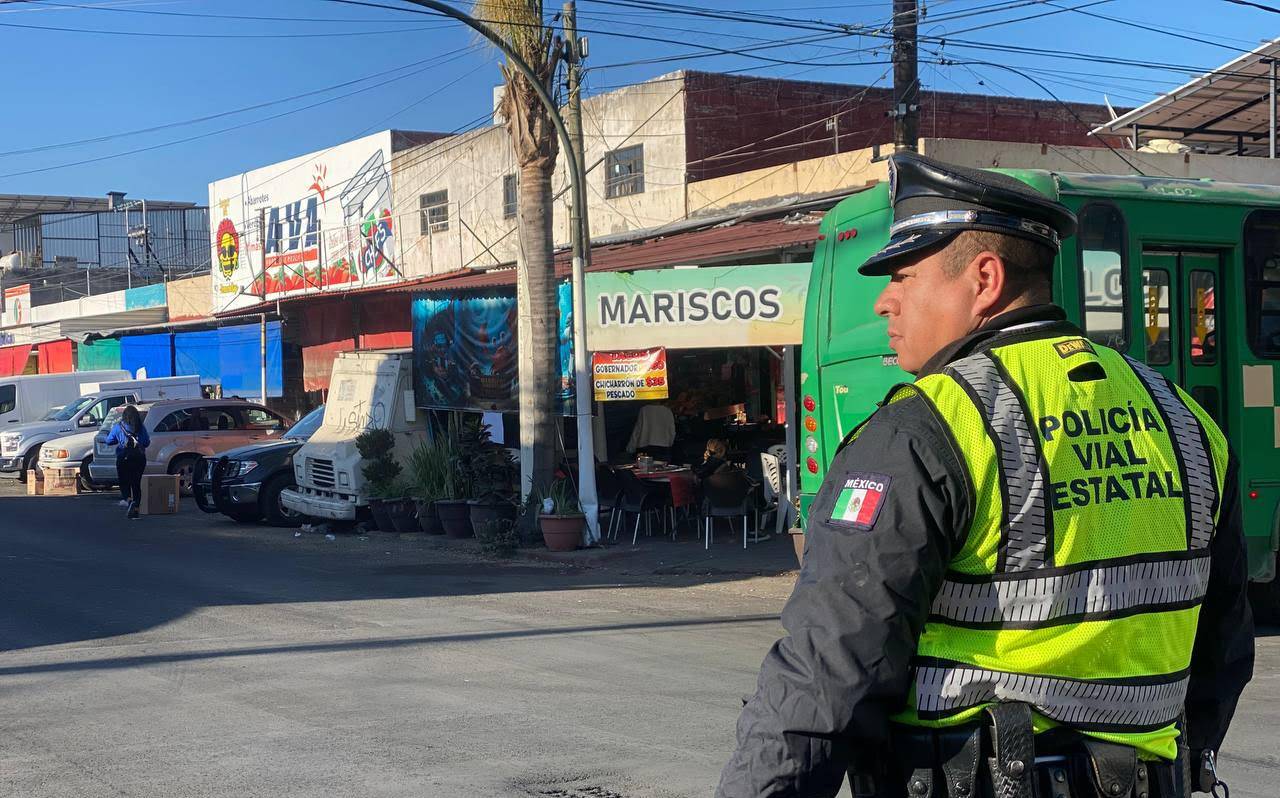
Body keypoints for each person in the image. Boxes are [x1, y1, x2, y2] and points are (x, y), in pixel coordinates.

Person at [717, 153, 1254, 798]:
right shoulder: (1187, 422)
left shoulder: (927, 429)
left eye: (905, 276)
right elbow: (1223, 648)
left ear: (984, 279)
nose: (885, 302)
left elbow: (826, 674)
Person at [105, 405, 150, 520]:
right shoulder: (141, 427)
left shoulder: (118, 427)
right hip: (139, 458)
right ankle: (136, 509)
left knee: (124, 483)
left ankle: (129, 500)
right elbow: (146, 442)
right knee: (136, 483)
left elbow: (109, 441)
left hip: (124, 458)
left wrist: (119, 440)